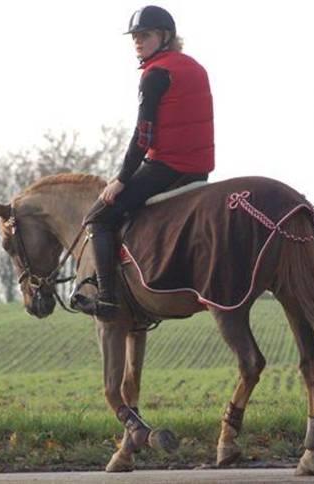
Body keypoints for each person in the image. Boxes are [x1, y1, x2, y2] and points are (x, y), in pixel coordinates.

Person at [72, 5, 215, 318]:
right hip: (199, 168)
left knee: (97, 216)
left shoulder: (155, 75)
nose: (138, 41)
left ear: (164, 37)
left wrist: (122, 178)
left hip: (167, 167)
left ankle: (108, 298)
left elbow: (143, 136)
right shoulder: (194, 67)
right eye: (135, 36)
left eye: (145, 35)